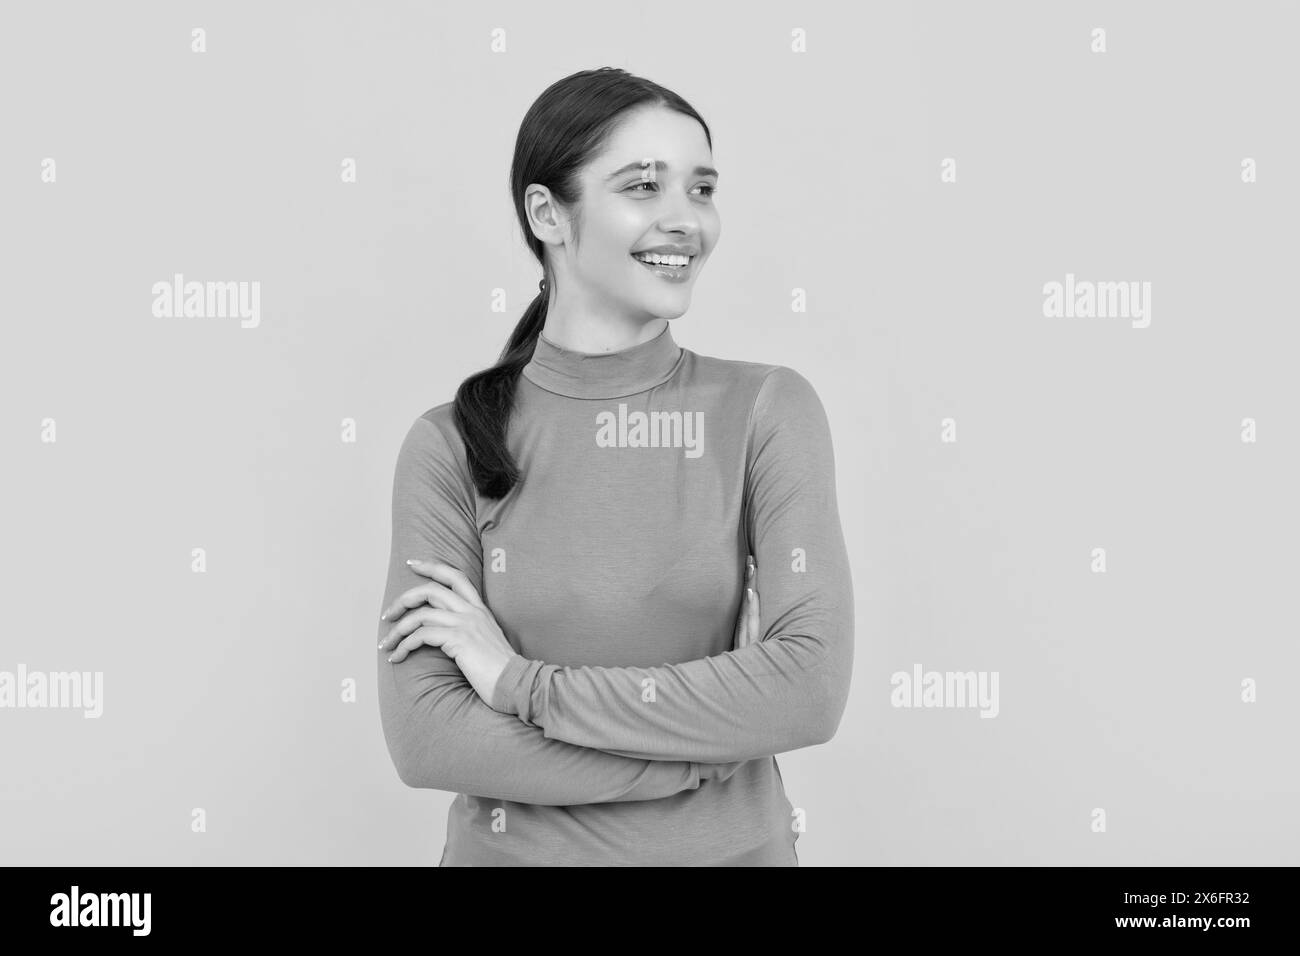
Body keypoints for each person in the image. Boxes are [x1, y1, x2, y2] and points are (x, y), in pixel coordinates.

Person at [376, 66, 853, 866]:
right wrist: (703, 749)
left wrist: (518, 686)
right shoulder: (450, 445)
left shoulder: (767, 410)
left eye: (701, 190)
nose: (687, 222)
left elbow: (808, 688)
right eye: (643, 187)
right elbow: (427, 739)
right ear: (547, 213)